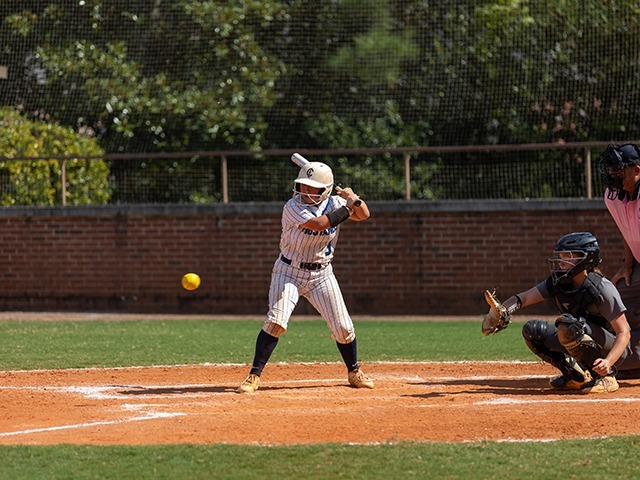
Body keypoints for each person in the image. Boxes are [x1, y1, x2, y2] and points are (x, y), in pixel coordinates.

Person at [238, 159, 374, 393]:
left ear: (325, 190)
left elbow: (364, 214)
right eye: (303, 185)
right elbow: (320, 223)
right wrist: (347, 207)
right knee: (276, 322)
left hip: (322, 273)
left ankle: (354, 371)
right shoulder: (292, 207)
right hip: (288, 271)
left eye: (312, 187)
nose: (305, 191)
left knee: (343, 328)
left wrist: (354, 199)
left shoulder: (337, 202)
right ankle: (253, 376)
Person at [483, 232, 631, 393]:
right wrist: (503, 310)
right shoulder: (559, 282)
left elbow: (624, 333)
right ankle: (576, 376)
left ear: (586, 259)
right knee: (533, 331)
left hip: (614, 350)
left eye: (568, 256)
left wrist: (608, 362)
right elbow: (523, 298)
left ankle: (607, 378)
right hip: (581, 331)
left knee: (570, 325)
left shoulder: (602, 288)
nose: (561, 261)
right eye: (561, 256)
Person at [598, 143, 640, 374]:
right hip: (638, 263)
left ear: (637, 170)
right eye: (611, 169)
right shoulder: (612, 196)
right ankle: (632, 360)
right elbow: (626, 228)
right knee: (616, 300)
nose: (613, 174)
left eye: (619, 169)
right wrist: (627, 264)